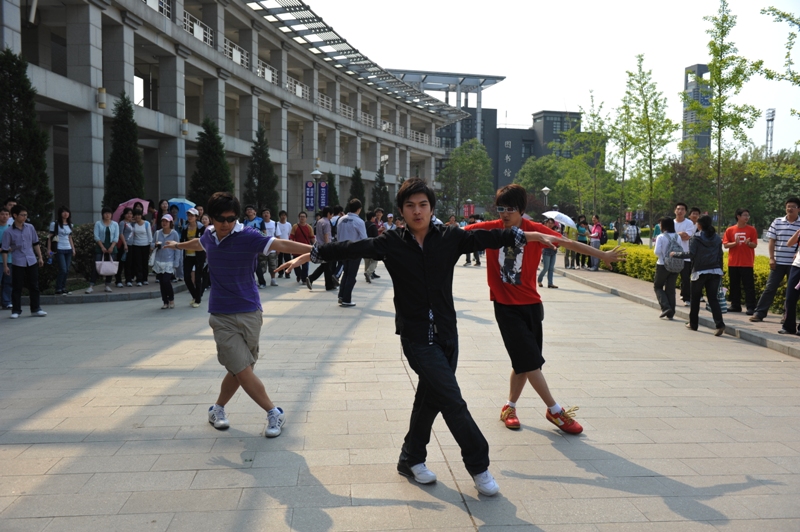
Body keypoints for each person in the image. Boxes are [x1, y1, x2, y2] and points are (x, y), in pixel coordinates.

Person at [281, 178, 581, 497]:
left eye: (423, 205)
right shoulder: (391, 242)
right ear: (401, 211)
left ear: (431, 208)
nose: (417, 211)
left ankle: (410, 458)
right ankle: (478, 465)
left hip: (448, 336)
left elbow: (492, 236)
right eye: (410, 206)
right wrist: (312, 254)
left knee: (429, 399)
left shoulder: (449, 238)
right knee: (452, 401)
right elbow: (351, 248)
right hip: (416, 339)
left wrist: (532, 235)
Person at [466, 185, 624, 437]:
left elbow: (568, 242)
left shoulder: (536, 231)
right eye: (501, 209)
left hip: (531, 304)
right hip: (505, 307)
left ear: (521, 210)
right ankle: (554, 410)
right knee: (530, 361)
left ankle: (509, 407)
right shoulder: (491, 228)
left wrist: (601, 255)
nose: (505, 214)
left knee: (525, 363)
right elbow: (452, 235)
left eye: (510, 209)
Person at [164, 192, 314, 438]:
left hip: (250, 312)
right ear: (211, 218)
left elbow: (281, 244)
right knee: (243, 369)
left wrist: (320, 250)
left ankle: (217, 409)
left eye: (231, 218)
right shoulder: (209, 235)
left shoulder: (248, 236)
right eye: (220, 219)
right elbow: (199, 243)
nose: (226, 224)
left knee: (241, 368)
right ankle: (274, 411)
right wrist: (179, 245)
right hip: (221, 314)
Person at [670, 215, 725, 336]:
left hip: (700, 271)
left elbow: (691, 254)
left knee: (695, 299)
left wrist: (675, 254)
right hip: (715, 271)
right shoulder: (716, 238)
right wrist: (721, 270)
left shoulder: (696, 237)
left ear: (699, 225)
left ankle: (693, 324)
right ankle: (720, 324)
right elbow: (720, 255)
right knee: (713, 299)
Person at [750, 198, 800, 323]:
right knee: (770, 288)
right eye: (788, 206)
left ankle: (786, 316)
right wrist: (772, 258)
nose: (790, 209)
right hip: (778, 261)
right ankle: (759, 313)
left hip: (795, 265)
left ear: (798, 209)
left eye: (793, 206)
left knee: (791, 292)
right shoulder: (777, 222)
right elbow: (772, 241)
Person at [1, 204, 47, 318]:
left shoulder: (30, 227)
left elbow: (35, 243)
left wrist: (40, 257)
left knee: (34, 285)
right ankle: (16, 310)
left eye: (26, 215)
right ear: (15, 215)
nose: (24, 217)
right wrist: (5, 265)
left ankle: (36, 308)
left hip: (31, 259)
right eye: (22, 215)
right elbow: (5, 250)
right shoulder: (8, 231)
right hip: (17, 261)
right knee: (17, 286)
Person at [723, 208, 758, 315]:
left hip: (747, 262)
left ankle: (751, 307)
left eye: (748, 215)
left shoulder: (752, 229)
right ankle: (735, 305)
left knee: (749, 286)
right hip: (733, 262)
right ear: (738, 216)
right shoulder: (730, 230)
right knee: (734, 285)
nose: (747, 217)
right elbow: (725, 245)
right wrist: (735, 243)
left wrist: (748, 243)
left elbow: (754, 244)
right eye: (745, 215)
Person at [335, 199, 367, 307]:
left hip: (342, 249)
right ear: (359, 209)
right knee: (351, 275)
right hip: (354, 251)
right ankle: (346, 299)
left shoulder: (341, 219)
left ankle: (341, 295)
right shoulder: (359, 221)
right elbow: (364, 238)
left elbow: (338, 235)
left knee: (346, 273)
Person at [86, 207, 119, 294]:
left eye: (109, 213)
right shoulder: (98, 223)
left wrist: (112, 247)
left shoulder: (115, 224)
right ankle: (91, 286)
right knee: (96, 267)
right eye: (105, 213)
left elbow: (116, 237)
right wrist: (102, 247)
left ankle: (107, 285)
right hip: (100, 248)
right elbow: (96, 236)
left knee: (110, 267)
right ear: (102, 214)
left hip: (112, 248)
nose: (107, 215)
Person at [652, 217, 680, 320]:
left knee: (658, 286)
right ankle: (671, 313)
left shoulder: (661, 236)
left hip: (662, 264)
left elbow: (657, 252)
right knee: (671, 289)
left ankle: (666, 307)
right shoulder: (677, 236)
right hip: (675, 265)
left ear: (663, 226)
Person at [151, 214, 181, 308]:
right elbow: (151, 245)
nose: (164, 223)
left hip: (169, 261)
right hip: (159, 261)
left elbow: (178, 248)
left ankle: (171, 299)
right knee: (161, 282)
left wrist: (176, 262)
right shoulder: (157, 233)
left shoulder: (174, 234)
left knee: (166, 281)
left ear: (170, 223)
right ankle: (165, 302)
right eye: (163, 221)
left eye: (166, 221)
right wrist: (155, 245)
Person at [307, 207, 337, 291]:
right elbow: (326, 236)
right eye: (331, 214)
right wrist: (328, 247)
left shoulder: (319, 221)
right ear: (328, 214)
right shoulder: (327, 223)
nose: (332, 216)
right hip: (325, 246)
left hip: (319, 246)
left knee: (326, 266)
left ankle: (328, 284)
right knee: (327, 265)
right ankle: (314, 279)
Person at [48, 206, 76, 295]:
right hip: (59, 248)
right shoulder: (55, 224)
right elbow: (50, 237)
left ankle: (63, 287)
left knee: (67, 270)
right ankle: (58, 288)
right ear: (60, 213)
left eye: (67, 212)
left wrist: (73, 249)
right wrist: (49, 250)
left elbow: (70, 237)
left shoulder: (70, 224)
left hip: (68, 249)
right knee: (63, 269)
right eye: (63, 212)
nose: (65, 214)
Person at [181, 208, 206, 308]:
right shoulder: (185, 227)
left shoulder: (201, 228)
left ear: (196, 217)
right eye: (188, 215)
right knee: (187, 277)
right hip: (188, 255)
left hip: (198, 255)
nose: (190, 217)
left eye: (192, 215)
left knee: (198, 278)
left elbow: (203, 242)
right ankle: (195, 295)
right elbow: (182, 241)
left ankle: (198, 300)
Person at [674, 203, 696, 307]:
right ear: (675, 210)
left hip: (685, 255)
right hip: (672, 255)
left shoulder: (689, 223)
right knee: (671, 278)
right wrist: (680, 234)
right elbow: (667, 236)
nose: (680, 211)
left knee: (685, 278)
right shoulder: (671, 223)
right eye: (678, 209)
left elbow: (687, 237)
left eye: (682, 209)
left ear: (686, 212)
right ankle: (670, 297)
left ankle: (686, 298)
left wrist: (674, 235)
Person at [242, 205, 266, 288]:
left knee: (256, 263)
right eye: (247, 210)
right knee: (251, 264)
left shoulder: (260, 220)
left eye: (251, 209)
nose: (249, 211)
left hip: (257, 243)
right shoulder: (245, 221)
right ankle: (252, 282)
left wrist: (263, 241)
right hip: (248, 244)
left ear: (254, 211)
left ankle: (262, 282)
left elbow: (264, 231)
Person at [289, 211, 315, 284]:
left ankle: (304, 279)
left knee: (305, 265)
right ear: (299, 218)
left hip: (305, 249)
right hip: (296, 249)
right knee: (295, 264)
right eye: (301, 217)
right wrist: (290, 244)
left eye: (303, 217)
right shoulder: (295, 226)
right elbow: (291, 236)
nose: (302, 218)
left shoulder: (309, 227)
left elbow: (312, 238)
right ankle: (299, 275)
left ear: (306, 218)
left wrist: (315, 246)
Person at [130, 209, 152, 286]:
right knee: (138, 263)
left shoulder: (147, 223)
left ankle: (145, 279)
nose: (137, 217)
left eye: (139, 215)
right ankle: (139, 279)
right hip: (136, 245)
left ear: (141, 215)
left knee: (145, 262)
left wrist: (151, 245)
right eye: (135, 215)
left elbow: (149, 235)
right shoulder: (133, 224)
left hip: (145, 245)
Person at [260, 208, 279, 287]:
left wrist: (278, 248)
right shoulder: (260, 223)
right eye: (264, 213)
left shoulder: (274, 223)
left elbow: (278, 236)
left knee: (273, 265)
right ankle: (261, 281)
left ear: (270, 215)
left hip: (272, 248)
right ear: (262, 215)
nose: (266, 214)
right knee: (262, 265)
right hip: (262, 248)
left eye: (267, 213)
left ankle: (273, 280)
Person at [537, 218, 558, 288]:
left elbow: (558, 241)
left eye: (552, 223)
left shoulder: (555, 231)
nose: (550, 224)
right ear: (546, 223)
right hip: (546, 251)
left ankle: (550, 283)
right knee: (546, 268)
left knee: (551, 268)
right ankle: (539, 280)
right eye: (549, 223)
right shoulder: (544, 231)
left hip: (553, 251)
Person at [116, 207, 134, 288]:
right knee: (121, 263)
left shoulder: (132, 223)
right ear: (124, 214)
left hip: (130, 245)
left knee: (129, 263)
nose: (129, 215)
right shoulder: (122, 223)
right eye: (127, 213)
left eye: (131, 213)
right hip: (124, 245)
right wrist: (125, 244)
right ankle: (118, 280)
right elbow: (120, 234)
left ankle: (128, 280)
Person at [0, 207, 13, 308]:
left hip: (10, 259)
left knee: (8, 282)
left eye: (6, 214)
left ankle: (6, 301)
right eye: (2, 214)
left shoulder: (11, 228)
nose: (4, 216)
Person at [363, 211, 380, 283]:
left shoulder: (363, 224)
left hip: (363, 245)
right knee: (374, 261)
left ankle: (367, 276)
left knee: (366, 262)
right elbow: (376, 237)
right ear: (372, 217)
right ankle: (368, 273)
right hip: (371, 245)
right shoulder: (373, 226)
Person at [276, 210, 293, 278]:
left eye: (284, 215)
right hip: (279, 244)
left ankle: (287, 272)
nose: (283, 217)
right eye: (282, 215)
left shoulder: (288, 224)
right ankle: (280, 273)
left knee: (287, 259)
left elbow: (290, 234)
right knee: (280, 259)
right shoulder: (277, 224)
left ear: (286, 216)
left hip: (287, 244)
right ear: (280, 216)